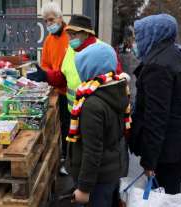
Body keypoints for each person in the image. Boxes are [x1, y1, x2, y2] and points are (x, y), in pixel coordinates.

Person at [130, 14, 181, 194]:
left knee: (163, 196)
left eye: (139, 35)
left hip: (168, 149)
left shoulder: (158, 65)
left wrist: (149, 162)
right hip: (180, 143)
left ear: (154, 33)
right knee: (170, 194)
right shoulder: (178, 54)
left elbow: (156, 119)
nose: (136, 41)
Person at [67, 43, 130, 207]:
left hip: (97, 180)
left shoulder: (92, 104)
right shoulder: (117, 89)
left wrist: (84, 188)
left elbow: (92, 151)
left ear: (88, 68)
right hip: (110, 172)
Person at [28, 2, 70, 175]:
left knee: (72, 129)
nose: (48, 24)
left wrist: (50, 75)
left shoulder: (70, 37)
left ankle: (70, 161)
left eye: (51, 20)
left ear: (60, 18)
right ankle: (65, 156)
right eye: (46, 21)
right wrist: (44, 75)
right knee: (63, 127)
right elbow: (45, 65)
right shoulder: (49, 41)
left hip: (72, 92)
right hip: (58, 89)